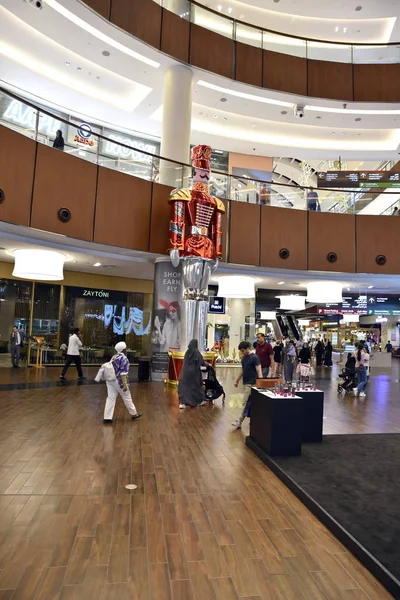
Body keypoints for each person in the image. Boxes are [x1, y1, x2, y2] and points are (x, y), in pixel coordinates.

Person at [103, 342, 142, 423]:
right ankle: (134, 414)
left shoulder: (114, 357)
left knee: (110, 398)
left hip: (110, 380)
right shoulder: (124, 359)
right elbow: (123, 373)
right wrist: (124, 385)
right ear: (124, 349)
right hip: (119, 381)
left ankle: (107, 417)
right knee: (127, 396)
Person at [232, 341, 262, 429]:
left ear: (247, 348)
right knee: (251, 403)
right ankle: (253, 421)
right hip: (246, 383)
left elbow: (259, 370)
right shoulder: (244, 358)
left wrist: (261, 382)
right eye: (241, 351)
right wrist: (237, 380)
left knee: (245, 402)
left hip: (252, 383)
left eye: (243, 350)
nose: (242, 352)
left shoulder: (254, 358)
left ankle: (239, 421)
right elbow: (242, 370)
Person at [178, 339, 209, 409]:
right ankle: (199, 401)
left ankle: (182, 403)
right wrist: (207, 365)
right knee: (196, 387)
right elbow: (202, 362)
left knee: (184, 388)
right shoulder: (196, 352)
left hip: (185, 373)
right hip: (193, 373)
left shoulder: (187, 352)